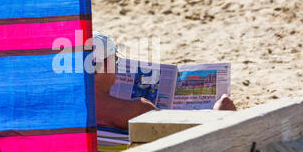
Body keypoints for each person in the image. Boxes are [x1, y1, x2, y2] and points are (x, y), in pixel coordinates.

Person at [92, 31, 236, 131]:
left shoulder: (70, 111)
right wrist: (220, 115)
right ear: (105, 65)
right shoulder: (137, 110)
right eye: (116, 61)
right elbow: (187, 140)